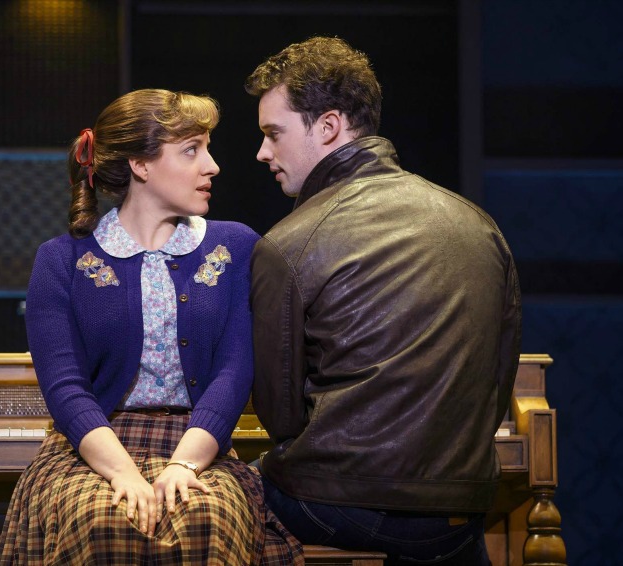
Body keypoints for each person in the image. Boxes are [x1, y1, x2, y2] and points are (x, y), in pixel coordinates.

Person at [0, 89, 302, 565]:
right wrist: (122, 473)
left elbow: (234, 369)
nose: (212, 165)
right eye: (191, 150)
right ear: (141, 165)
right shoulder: (62, 260)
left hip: (196, 442)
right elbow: (66, 387)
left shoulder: (235, 247)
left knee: (205, 516)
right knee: (100, 518)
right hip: (96, 447)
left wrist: (184, 462)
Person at [246, 37, 521, 565]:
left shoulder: (290, 241)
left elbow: (280, 420)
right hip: (457, 507)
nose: (262, 153)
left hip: (339, 503)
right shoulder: (479, 224)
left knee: (212, 503)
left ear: (327, 127)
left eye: (272, 134)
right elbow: (498, 377)